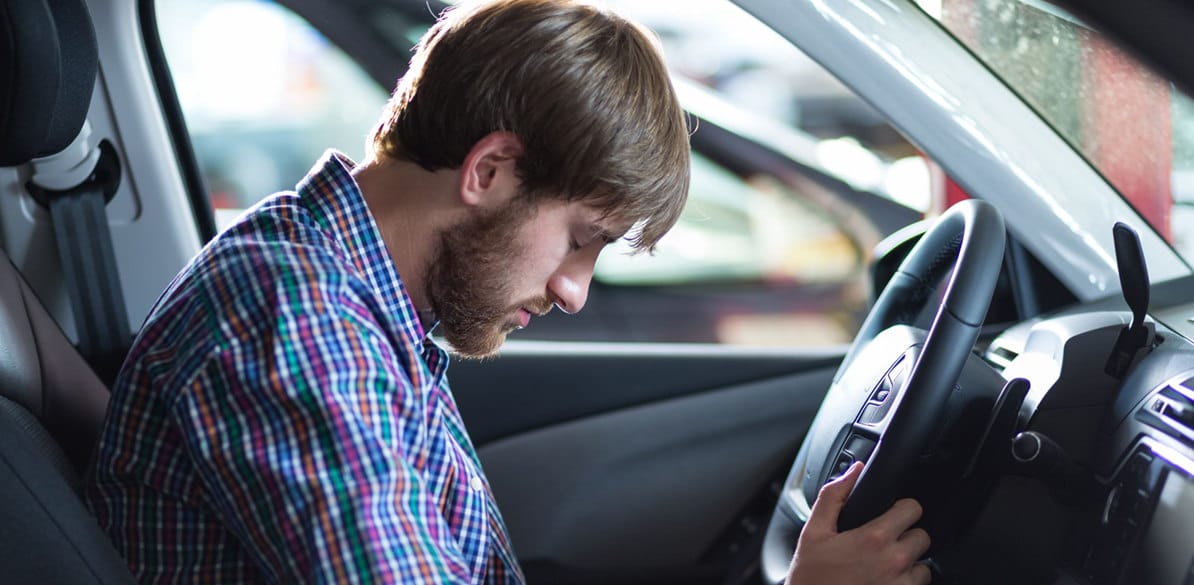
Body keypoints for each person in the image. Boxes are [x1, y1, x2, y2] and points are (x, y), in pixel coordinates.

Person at [85, 0, 930, 583]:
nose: (573, 293)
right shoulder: (294, 317)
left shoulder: (369, 305)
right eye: (580, 240)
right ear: (489, 170)